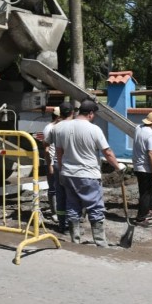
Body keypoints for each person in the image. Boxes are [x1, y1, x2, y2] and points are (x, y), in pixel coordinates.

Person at [55, 99, 125, 247]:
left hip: (68, 173)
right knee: (95, 207)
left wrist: (61, 170)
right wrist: (118, 167)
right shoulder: (94, 129)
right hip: (88, 175)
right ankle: (100, 242)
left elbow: (59, 152)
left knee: (72, 206)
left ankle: (75, 240)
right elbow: (107, 152)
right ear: (91, 114)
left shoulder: (62, 128)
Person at [43, 101, 74, 232]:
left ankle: (64, 222)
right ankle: (61, 218)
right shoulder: (51, 128)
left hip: (58, 163)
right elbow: (46, 148)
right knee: (56, 191)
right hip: (57, 163)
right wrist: (49, 164)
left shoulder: (57, 128)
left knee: (61, 193)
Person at [132, 111, 152, 226]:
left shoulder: (138, 128)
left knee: (145, 191)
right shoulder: (151, 135)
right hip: (145, 168)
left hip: (137, 166)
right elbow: (151, 154)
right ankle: (140, 218)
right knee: (146, 193)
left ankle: (147, 211)